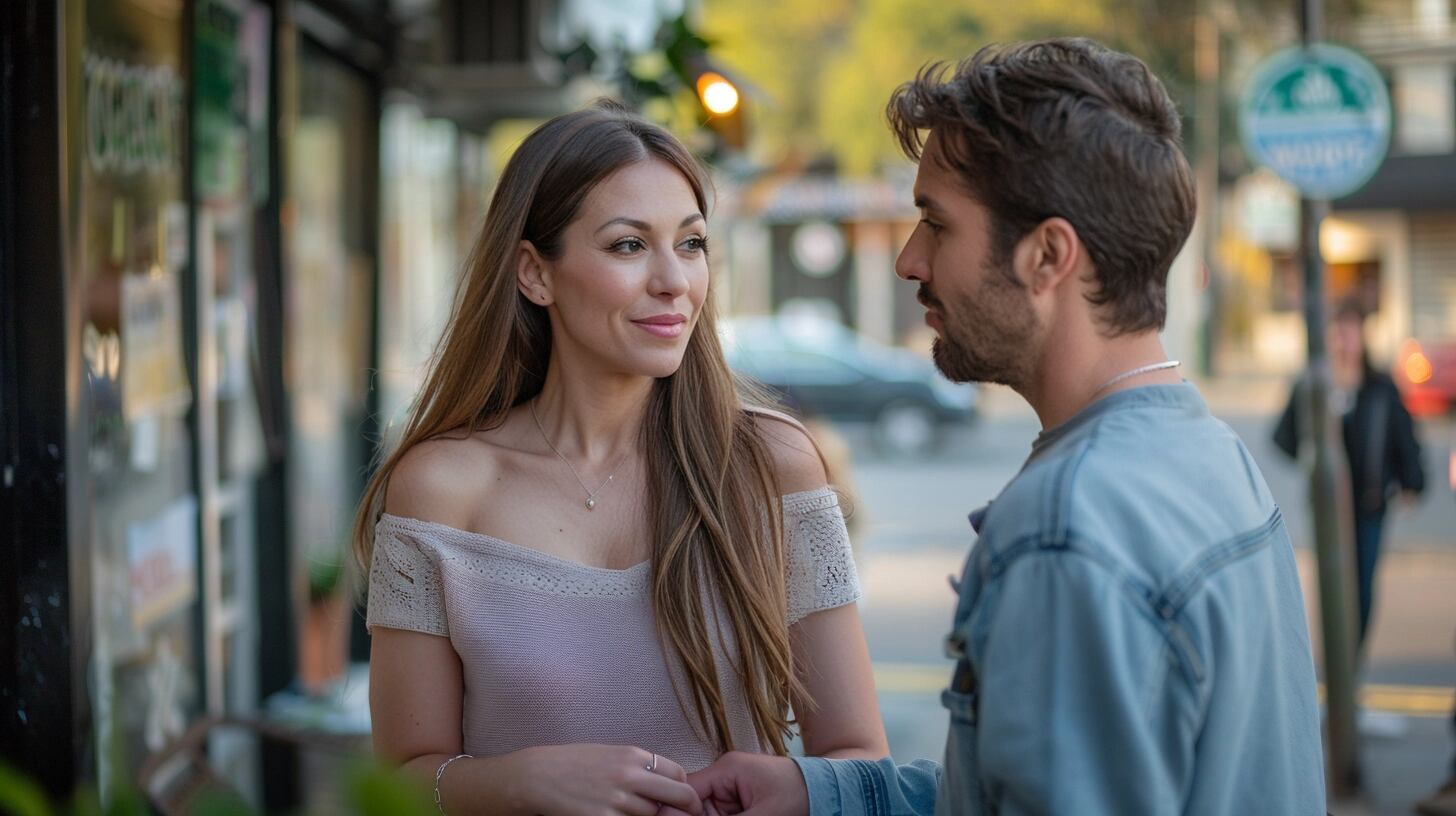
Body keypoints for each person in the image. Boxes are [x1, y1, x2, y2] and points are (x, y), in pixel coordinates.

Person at [687, 39, 1326, 815]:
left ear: (1048, 255)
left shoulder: (1068, 525)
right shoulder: (1211, 456)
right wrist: (819, 792)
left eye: (936, 224)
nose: (909, 262)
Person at [356, 102, 888, 816]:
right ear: (534, 274)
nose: (675, 281)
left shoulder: (773, 466)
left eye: (691, 243)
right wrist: (522, 781)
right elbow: (398, 784)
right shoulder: (442, 488)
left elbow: (859, 759)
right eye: (629, 246)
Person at [1274, 298, 1426, 651]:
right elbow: (1284, 437)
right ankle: (1336, 663)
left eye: (1351, 331)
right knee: (1332, 589)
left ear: (1363, 336)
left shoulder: (1380, 387)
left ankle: (1351, 661)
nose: (1344, 340)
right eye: (1338, 331)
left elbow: (1404, 438)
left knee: (1362, 587)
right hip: (1329, 508)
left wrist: (1411, 481)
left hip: (1369, 506)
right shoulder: (1315, 386)